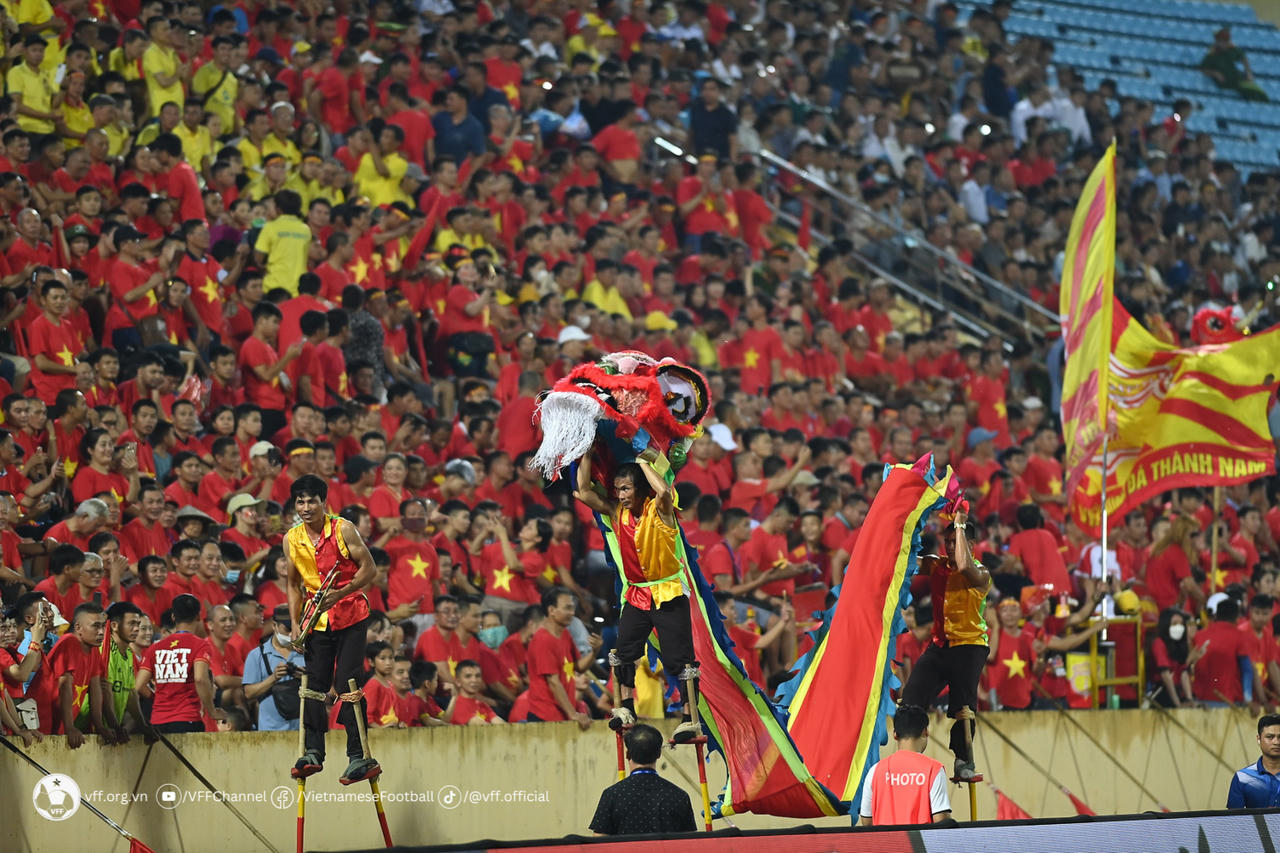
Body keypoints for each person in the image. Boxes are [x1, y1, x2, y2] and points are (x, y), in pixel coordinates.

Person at [574, 457, 699, 742]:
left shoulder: (661, 511)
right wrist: (588, 454)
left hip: (667, 593)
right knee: (623, 652)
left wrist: (644, 462)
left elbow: (664, 492)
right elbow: (582, 490)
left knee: (679, 660)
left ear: (640, 488)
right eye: (618, 489)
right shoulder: (618, 513)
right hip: (637, 594)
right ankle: (626, 708)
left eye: (627, 489)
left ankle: (690, 718)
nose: (621, 495)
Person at [284, 474, 380, 785]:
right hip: (315, 617)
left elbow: (370, 567)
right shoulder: (291, 539)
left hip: (351, 611)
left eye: (312, 500)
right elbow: (292, 583)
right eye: (301, 501)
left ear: (324, 502)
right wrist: (296, 622)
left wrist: (342, 592)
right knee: (313, 684)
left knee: (347, 682)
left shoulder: (343, 528)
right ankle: (313, 752)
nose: (306, 506)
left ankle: (357, 756)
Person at [900, 507, 990, 780]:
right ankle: (908, 754)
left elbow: (964, 566)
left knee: (963, 706)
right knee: (911, 699)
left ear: (970, 544)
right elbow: (906, 561)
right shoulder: (937, 565)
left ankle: (963, 762)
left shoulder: (981, 573)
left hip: (970, 644)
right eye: (947, 542)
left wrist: (961, 525)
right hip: (940, 644)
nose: (949, 547)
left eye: (955, 541)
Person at [589, 723, 697, 835]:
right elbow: (691, 843)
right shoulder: (679, 796)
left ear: (627, 754)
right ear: (659, 754)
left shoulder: (612, 795)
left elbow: (599, 842)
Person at [135, 594, 218, 733]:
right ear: (198, 617)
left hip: (157, 722)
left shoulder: (155, 648)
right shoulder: (200, 645)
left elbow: (138, 686)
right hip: (187, 719)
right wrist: (212, 711)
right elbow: (200, 679)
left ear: (173, 617)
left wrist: (158, 699)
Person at [859, 704, 951, 826]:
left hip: (883, 844)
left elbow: (866, 822)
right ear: (925, 731)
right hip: (919, 845)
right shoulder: (934, 770)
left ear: (895, 734)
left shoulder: (875, 771)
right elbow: (942, 823)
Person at [1227, 714, 1280, 808]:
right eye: (1270, 737)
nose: (1276, 742)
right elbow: (1233, 820)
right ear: (1259, 739)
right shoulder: (1243, 778)